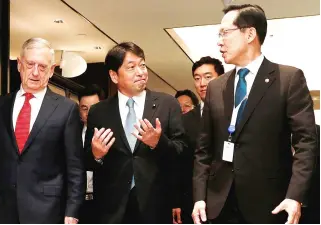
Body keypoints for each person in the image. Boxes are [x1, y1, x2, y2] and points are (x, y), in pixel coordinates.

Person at [192, 4, 317, 224]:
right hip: (220, 206)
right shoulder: (216, 87)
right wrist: (200, 198)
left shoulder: (288, 79)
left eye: (225, 33)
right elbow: (204, 150)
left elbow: (306, 143)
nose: (219, 41)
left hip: (270, 204)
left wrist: (295, 196)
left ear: (250, 33)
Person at [0, 38, 85, 224]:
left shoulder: (66, 109)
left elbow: (75, 167)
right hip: (0, 208)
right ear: (20, 65)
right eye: (30, 64)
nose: (35, 72)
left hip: (47, 210)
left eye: (43, 67)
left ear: (52, 71)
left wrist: (73, 211)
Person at [84, 42, 185, 223]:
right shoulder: (99, 112)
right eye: (131, 67)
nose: (141, 72)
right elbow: (86, 160)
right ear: (114, 76)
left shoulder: (167, 104)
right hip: (111, 209)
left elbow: (182, 153)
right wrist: (96, 155)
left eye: (143, 65)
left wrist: (158, 142)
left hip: (155, 206)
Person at [176, 57, 224, 224]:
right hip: (193, 200)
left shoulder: (235, 114)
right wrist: (177, 201)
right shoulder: (185, 121)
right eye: (197, 78)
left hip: (227, 199)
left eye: (208, 77)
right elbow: (179, 164)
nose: (202, 83)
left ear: (222, 78)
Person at [78, 84, 104, 223]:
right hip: (77, 201)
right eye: (84, 108)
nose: (88, 113)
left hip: (102, 201)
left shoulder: (112, 133)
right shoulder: (71, 132)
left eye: (93, 108)